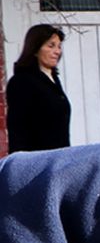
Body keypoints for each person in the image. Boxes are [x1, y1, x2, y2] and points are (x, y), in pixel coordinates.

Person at [6, 23, 71, 152]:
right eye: (51, 46)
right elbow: (18, 129)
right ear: (35, 49)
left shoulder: (53, 80)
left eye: (59, 46)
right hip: (37, 162)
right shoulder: (21, 82)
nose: (57, 51)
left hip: (60, 160)